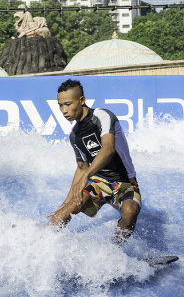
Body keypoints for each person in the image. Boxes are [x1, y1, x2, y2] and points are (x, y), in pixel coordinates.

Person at [47, 79, 141, 244]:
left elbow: (108, 148)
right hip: (99, 182)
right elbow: (82, 168)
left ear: (82, 100)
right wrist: (64, 203)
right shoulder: (74, 135)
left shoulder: (102, 116)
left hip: (125, 180)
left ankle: (113, 253)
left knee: (130, 211)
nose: (64, 110)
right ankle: (46, 247)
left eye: (68, 104)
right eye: (60, 105)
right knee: (65, 212)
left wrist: (87, 175)